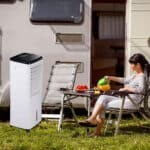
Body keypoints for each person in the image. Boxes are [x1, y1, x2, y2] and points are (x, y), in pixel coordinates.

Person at [79, 53, 149, 137]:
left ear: (137, 65)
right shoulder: (135, 75)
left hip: (131, 102)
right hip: (124, 99)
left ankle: (96, 129)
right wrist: (110, 77)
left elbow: (142, 90)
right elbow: (125, 80)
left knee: (101, 104)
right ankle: (92, 120)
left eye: (131, 64)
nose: (130, 66)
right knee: (102, 98)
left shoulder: (141, 76)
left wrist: (127, 89)